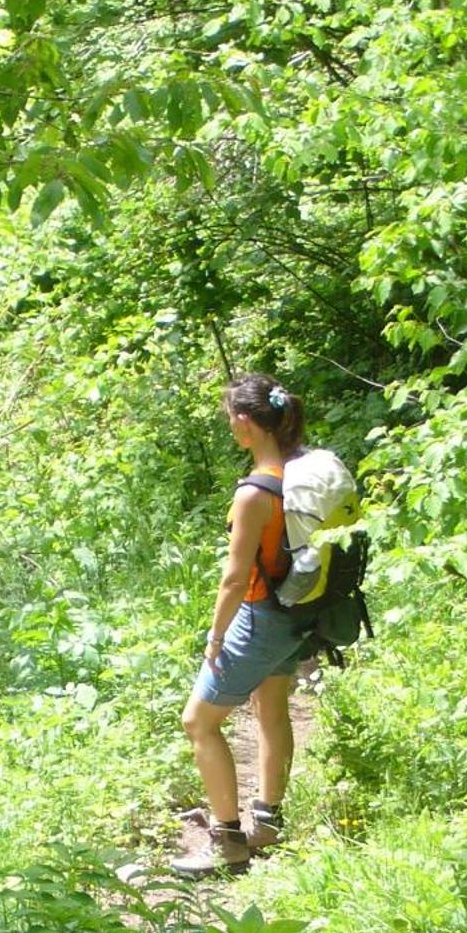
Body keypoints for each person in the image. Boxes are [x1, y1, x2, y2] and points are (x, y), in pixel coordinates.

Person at [172, 373, 310, 875]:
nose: (230, 425)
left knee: (198, 722)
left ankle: (227, 840)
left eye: (231, 417)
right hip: (297, 612)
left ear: (246, 423)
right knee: (273, 708)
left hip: (260, 616)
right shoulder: (295, 474)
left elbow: (234, 579)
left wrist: (215, 637)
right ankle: (267, 823)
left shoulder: (255, 493)